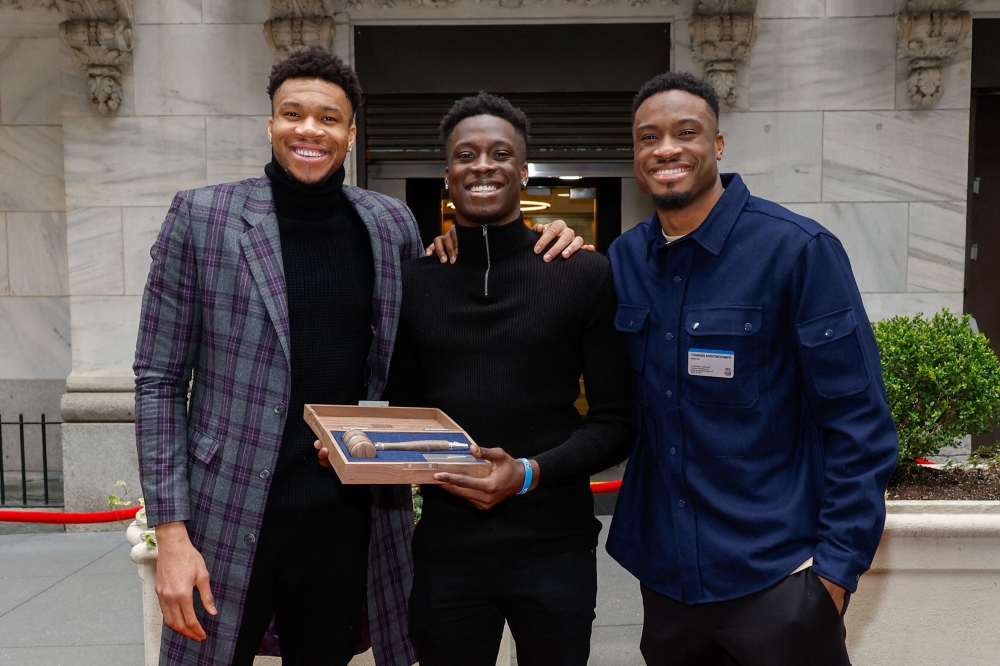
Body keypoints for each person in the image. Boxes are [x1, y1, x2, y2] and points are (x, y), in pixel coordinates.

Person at [133, 48, 583, 666]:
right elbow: (158, 380)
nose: (309, 130)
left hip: (348, 517)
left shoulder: (388, 221)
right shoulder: (203, 218)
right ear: (270, 124)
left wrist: (542, 236)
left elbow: (431, 296)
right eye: (293, 113)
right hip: (229, 510)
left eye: (328, 118)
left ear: (349, 133)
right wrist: (173, 536)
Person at [320, 92, 636, 666]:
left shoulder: (585, 272)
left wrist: (528, 474)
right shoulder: (415, 283)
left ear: (523, 171)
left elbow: (618, 423)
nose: (483, 165)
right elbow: (406, 410)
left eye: (500, 154)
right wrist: (352, 447)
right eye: (467, 155)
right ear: (448, 175)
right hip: (447, 555)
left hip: (555, 549)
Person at [606, 72, 899, 666]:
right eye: (648, 137)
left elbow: (859, 424)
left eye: (686, 132)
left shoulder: (797, 250)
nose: (666, 149)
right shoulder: (625, 258)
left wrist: (834, 577)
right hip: (669, 584)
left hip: (779, 579)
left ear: (717, 144)